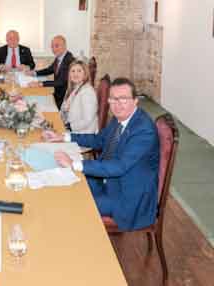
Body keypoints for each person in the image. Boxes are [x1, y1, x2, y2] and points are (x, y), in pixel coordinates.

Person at [43, 77, 159, 231]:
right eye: (113, 99)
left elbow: (120, 166)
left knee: (74, 205)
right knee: (64, 186)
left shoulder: (143, 130)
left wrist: (74, 164)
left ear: (135, 101)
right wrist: (63, 136)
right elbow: (99, 140)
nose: (117, 104)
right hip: (108, 182)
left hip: (127, 198)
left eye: (123, 99)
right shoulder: (120, 118)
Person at [28, 35, 75, 109]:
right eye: (52, 47)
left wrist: (40, 84)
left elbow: (61, 82)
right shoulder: (60, 57)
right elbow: (49, 69)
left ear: (64, 46)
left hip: (63, 99)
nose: (54, 49)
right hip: (56, 93)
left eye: (56, 46)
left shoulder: (69, 60)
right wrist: (34, 73)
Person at [60, 60, 98, 133]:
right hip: (69, 127)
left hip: (82, 134)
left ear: (85, 74)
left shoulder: (87, 92)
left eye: (79, 71)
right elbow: (63, 109)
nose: (75, 74)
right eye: (73, 71)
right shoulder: (72, 88)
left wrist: (69, 127)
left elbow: (88, 120)